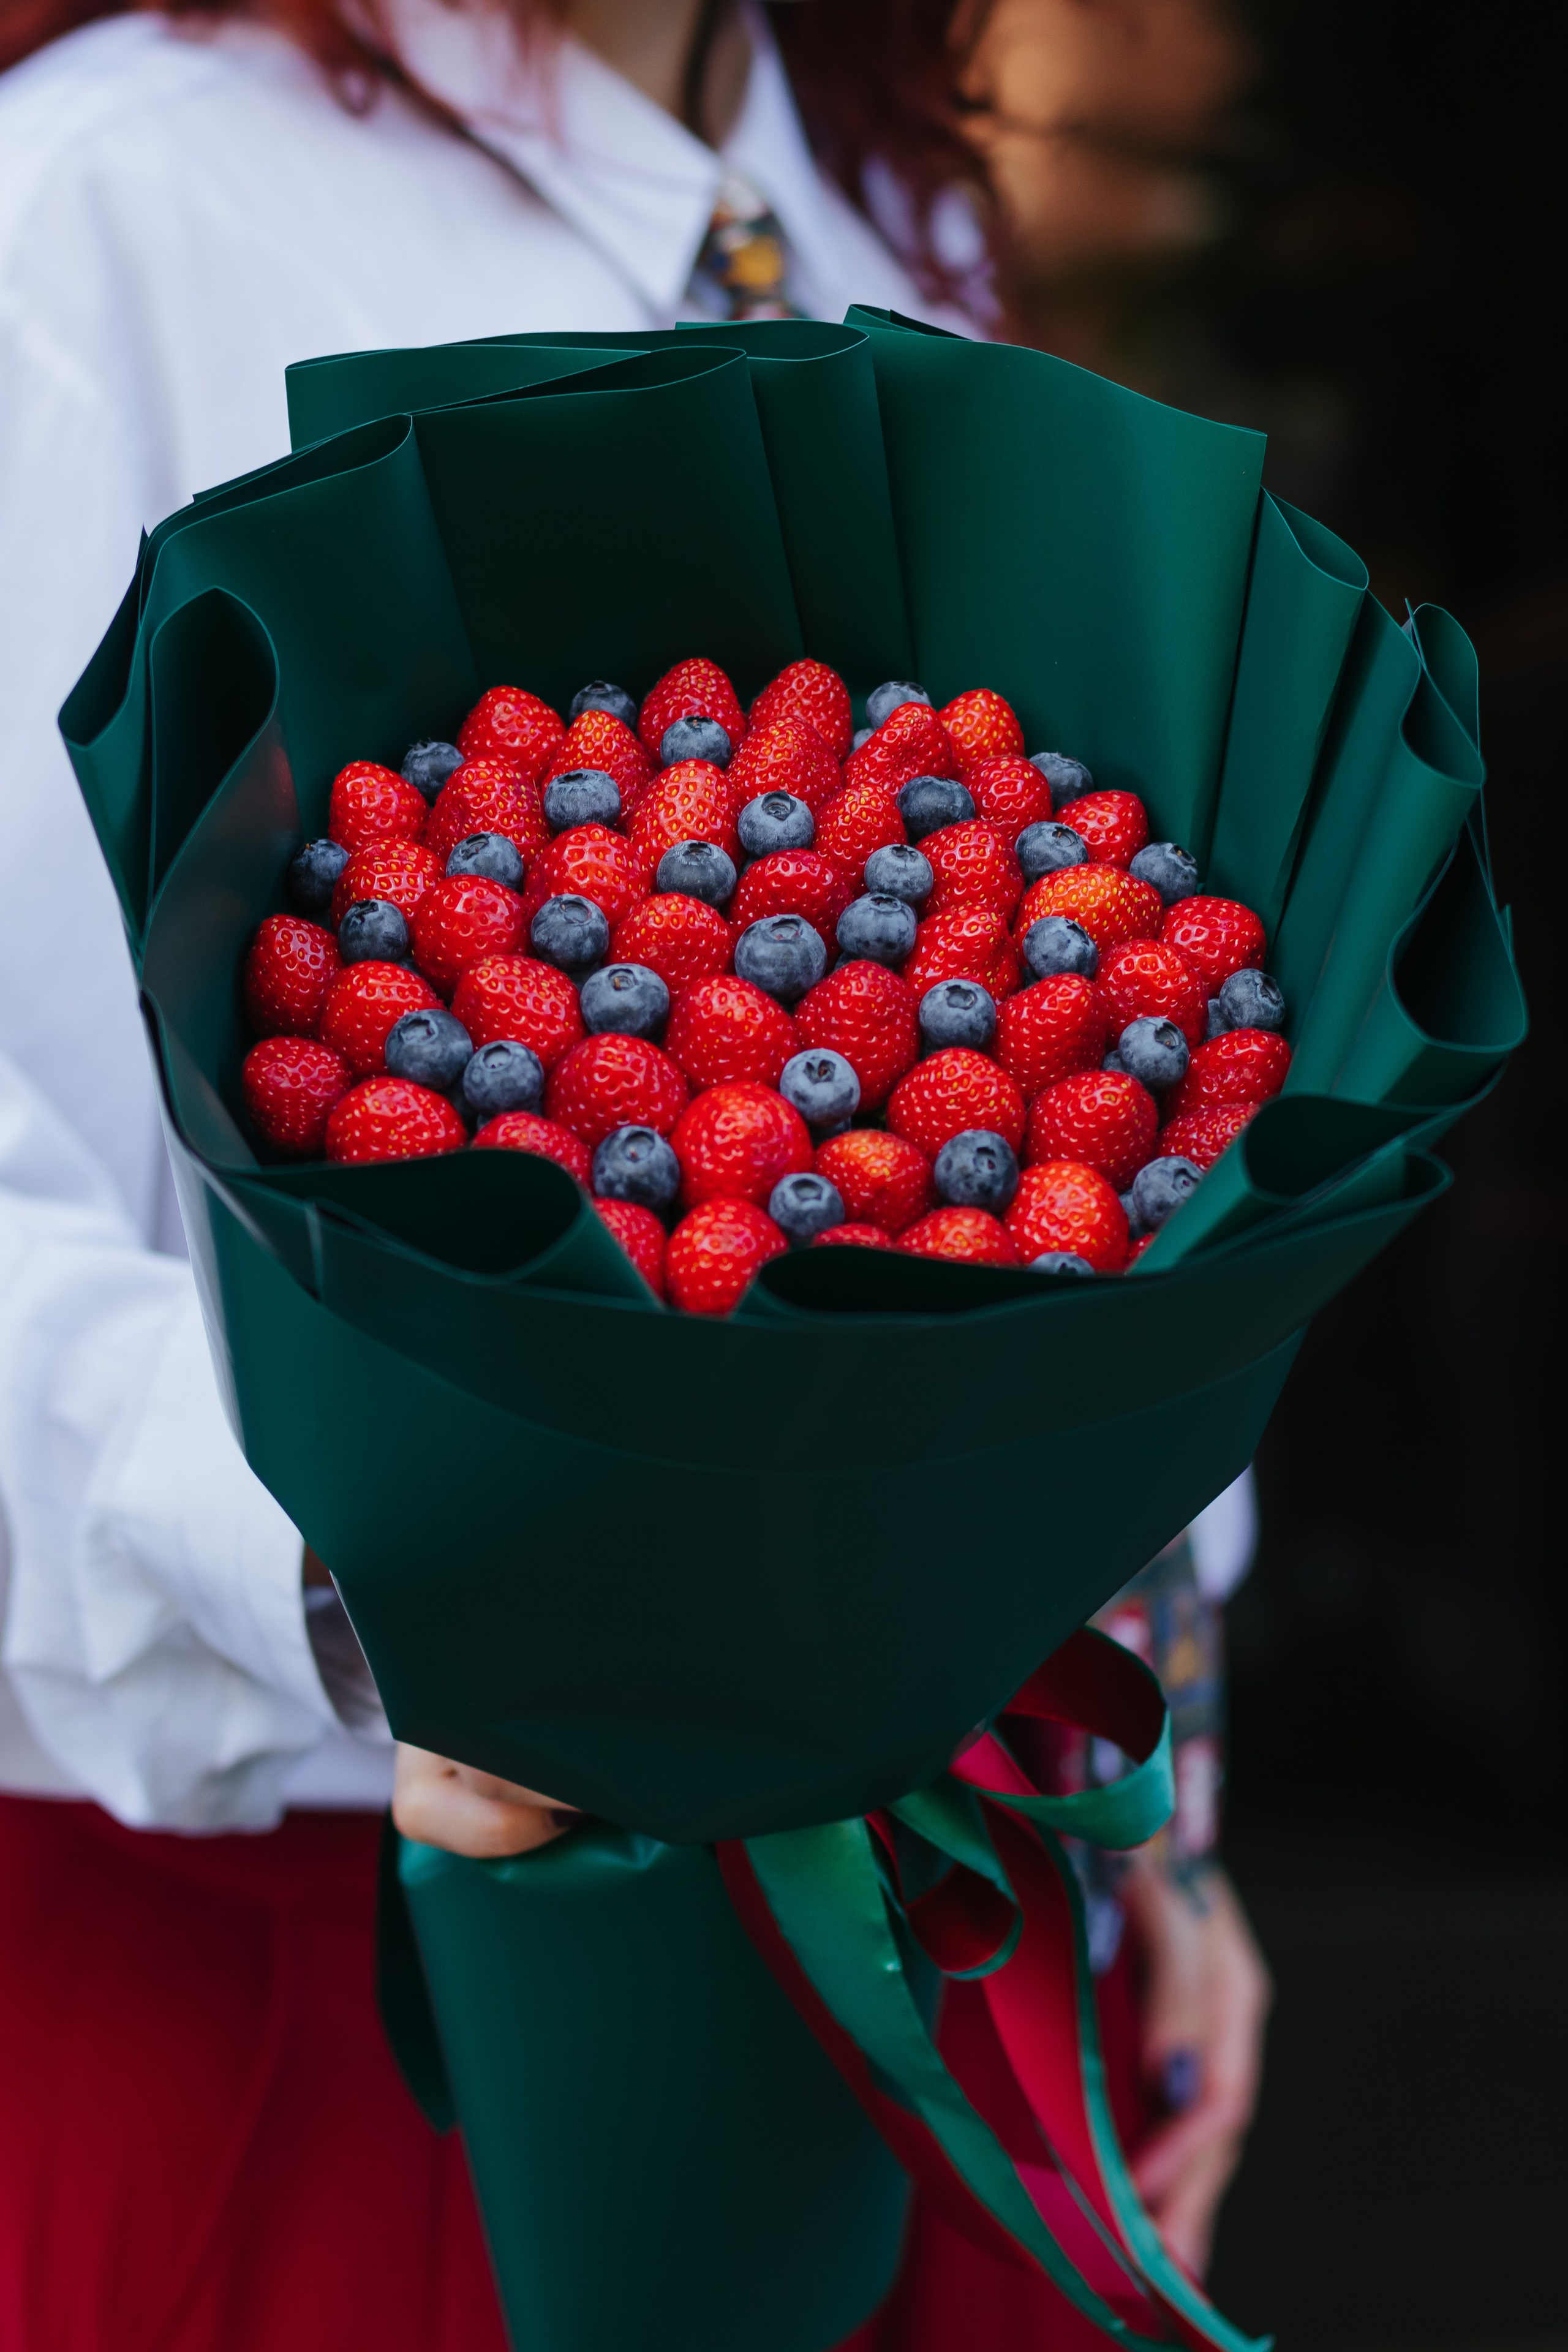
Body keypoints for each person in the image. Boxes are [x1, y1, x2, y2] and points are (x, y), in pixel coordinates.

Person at [0, 0, 1267, 2340]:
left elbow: (1076, 1092)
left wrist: (1159, 1816)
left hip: (948, 1952)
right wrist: (402, 1559)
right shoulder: (83, 215)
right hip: (334, 2004)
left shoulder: (882, 216)